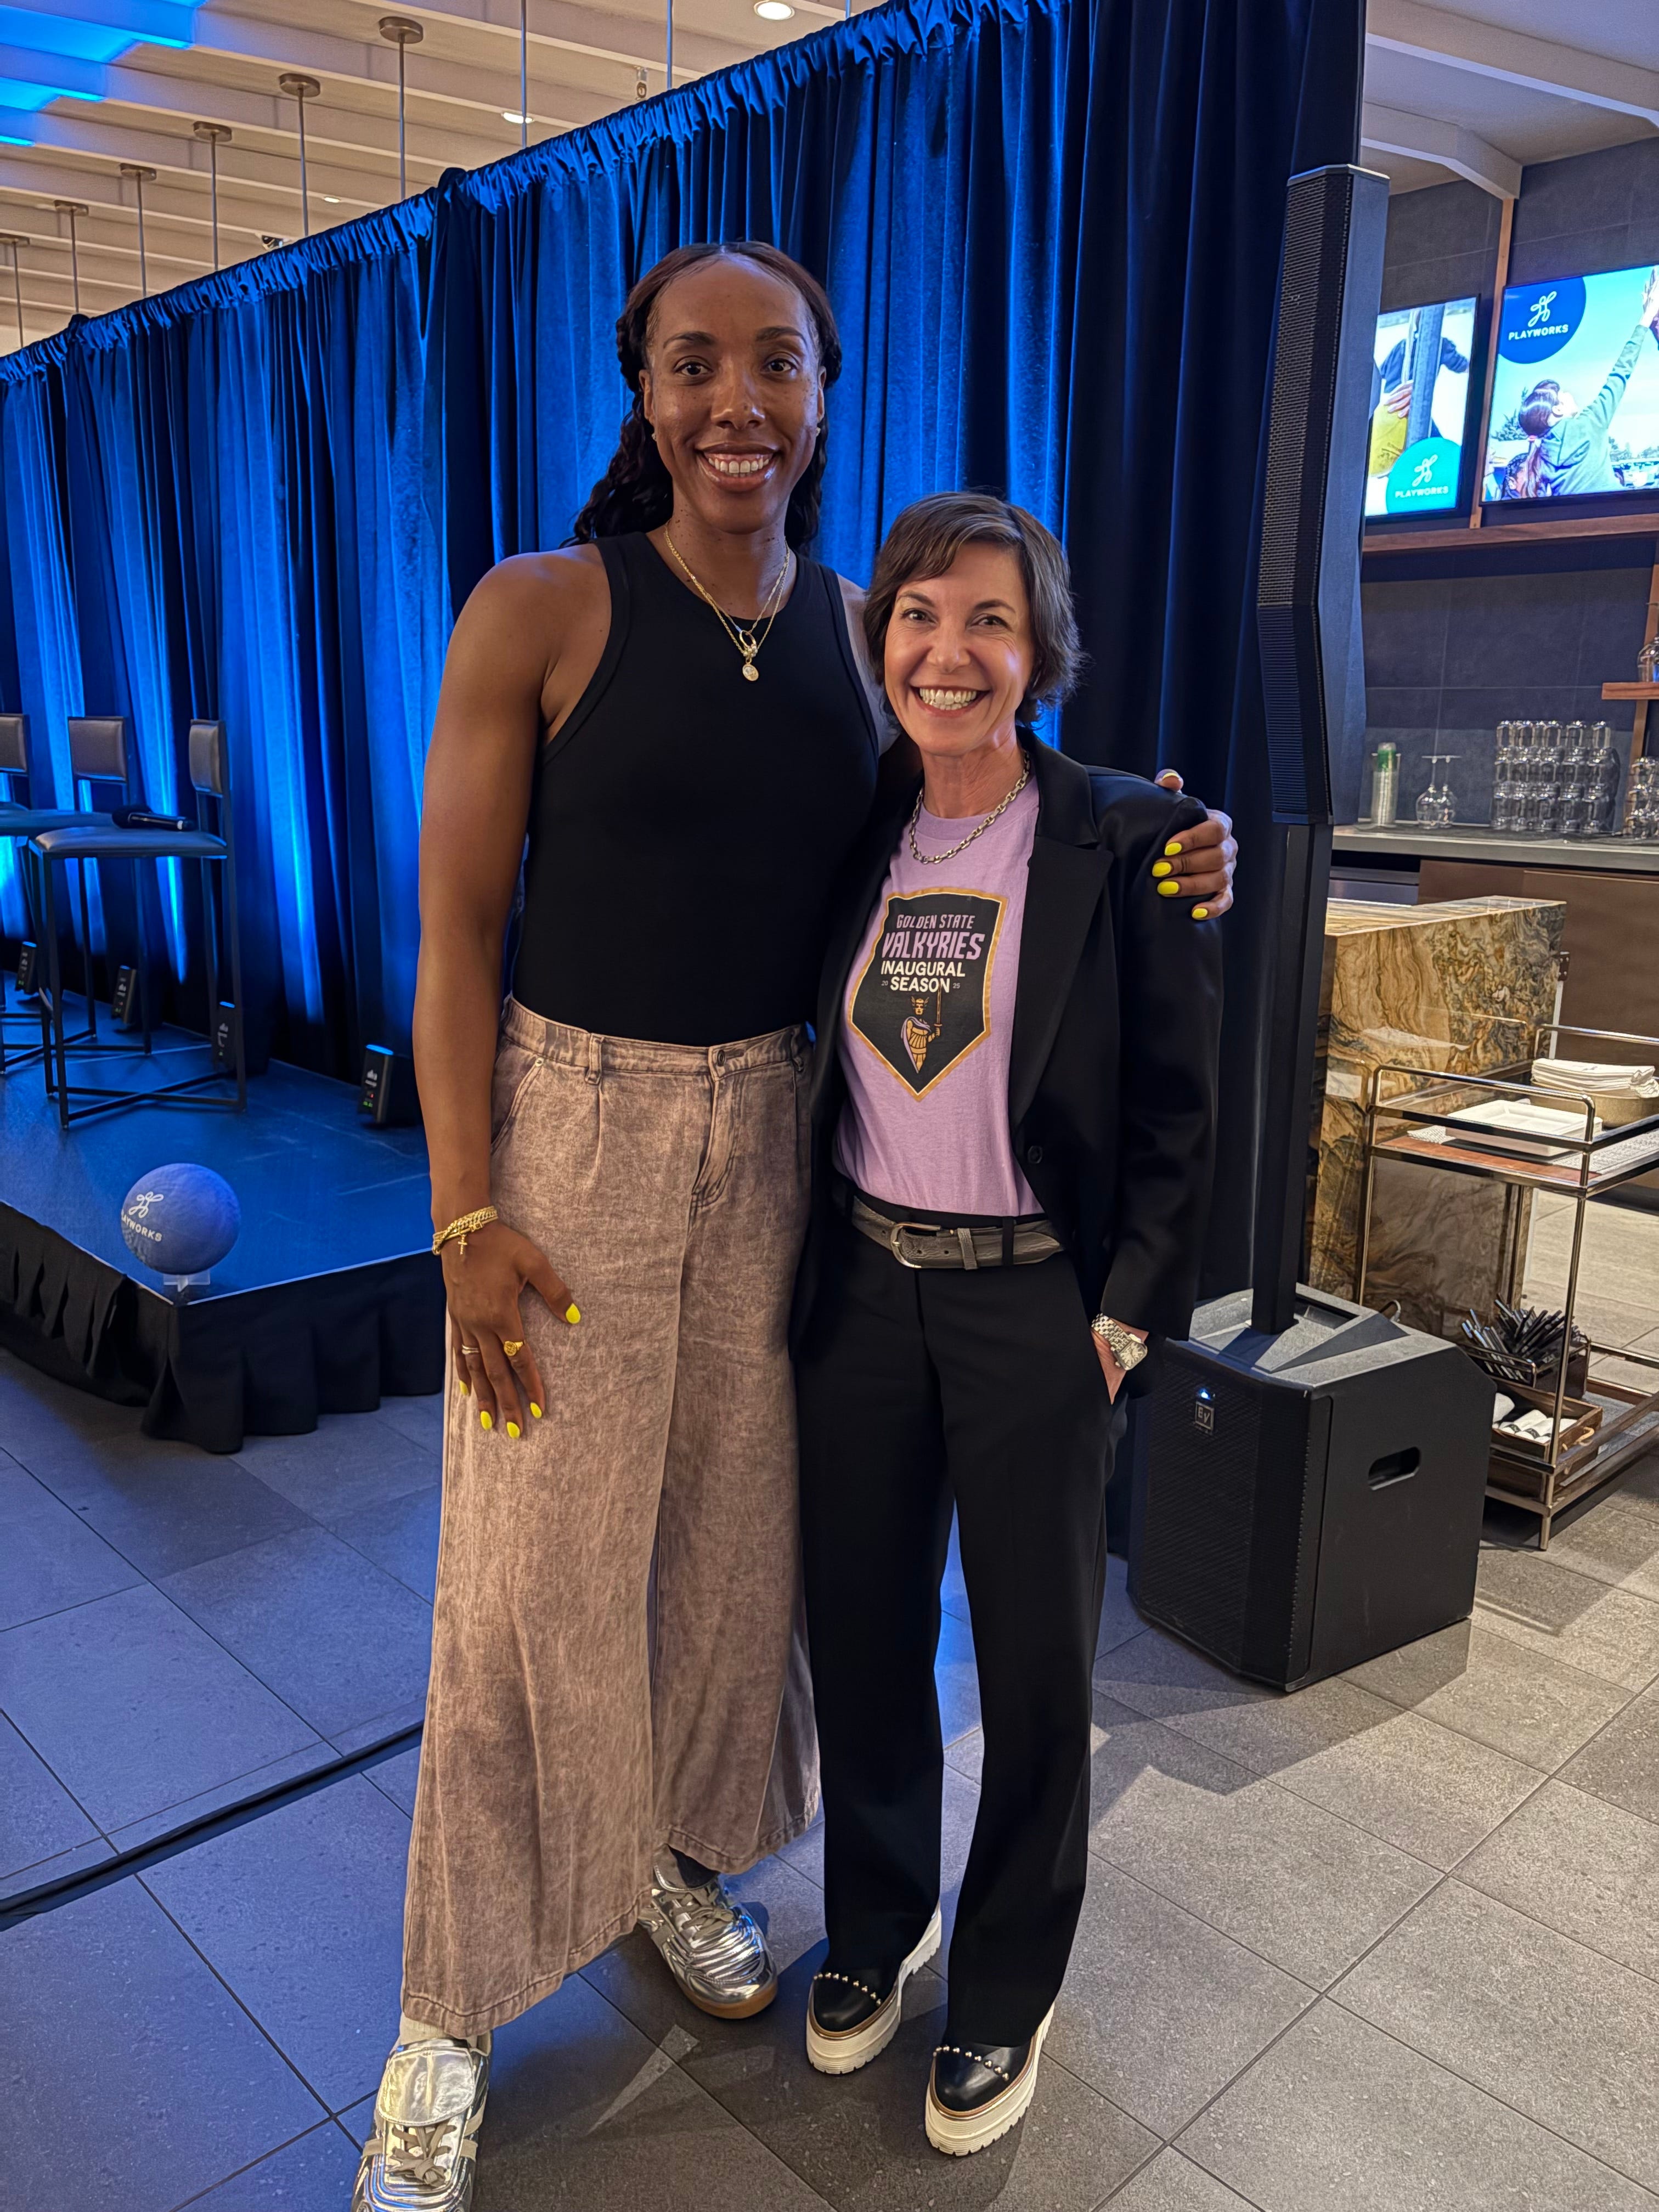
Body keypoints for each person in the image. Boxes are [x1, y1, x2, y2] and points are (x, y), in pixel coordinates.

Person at [353, 242, 1237, 2211]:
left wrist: (1174, 839)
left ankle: (673, 1855)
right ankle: (447, 2007)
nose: (736, 401)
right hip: (570, 1150)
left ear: (826, 390)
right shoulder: (539, 604)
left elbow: (1004, 806)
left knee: (737, 1571)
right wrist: (461, 1206)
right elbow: (456, 931)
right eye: (696, 364)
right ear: (644, 390)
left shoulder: (857, 631)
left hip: (784, 1151)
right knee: (521, 1587)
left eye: (776, 362)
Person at [792, 492, 1221, 2157]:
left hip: (1036, 1304)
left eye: (989, 618)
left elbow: (1181, 1106)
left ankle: (1007, 1985)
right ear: (881, 638)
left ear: (1039, 652)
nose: (948, 651)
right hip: (859, 1291)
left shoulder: (1128, 835)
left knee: (1039, 1665)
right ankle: (880, 1921)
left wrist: (1125, 1317)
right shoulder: (858, 821)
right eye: (918, 614)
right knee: (865, 1635)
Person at [1493, 269, 1659, 499]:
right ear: (1558, 409)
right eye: (1563, 394)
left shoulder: (1539, 458)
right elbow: (1621, 371)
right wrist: (1647, 319)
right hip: (1620, 515)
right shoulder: (1590, 423)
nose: (1569, 393)